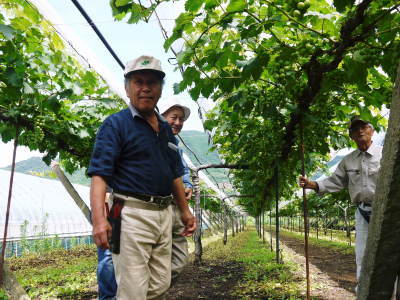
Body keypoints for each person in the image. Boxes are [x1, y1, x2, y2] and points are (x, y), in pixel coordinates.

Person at [88, 55, 196, 300]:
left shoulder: (165, 129)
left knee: (160, 282)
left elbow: (175, 174)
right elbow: (99, 175)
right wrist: (98, 220)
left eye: (152, 82)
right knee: (132, 288)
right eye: (138, 82)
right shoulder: (116, 124)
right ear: (128, 88)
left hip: (163, 213)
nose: (145, 87)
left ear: (160, 90)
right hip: (127, 212)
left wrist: (185, 211)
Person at [299, 116, 382, 289]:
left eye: (364, 127)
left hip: (387, 212)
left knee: (392, 252)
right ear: (351, 136)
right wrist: (312, 184)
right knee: (363, 255)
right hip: (363, 212)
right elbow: (335, 181)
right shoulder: (348, 160)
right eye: (355, 129)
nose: (360, 131)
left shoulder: (386, 154)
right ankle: (363, 291)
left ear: (372, 131)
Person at [159, 99, 193, 282]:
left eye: (181, 119)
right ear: (161, 116)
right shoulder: (149, 141)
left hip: (175, 206)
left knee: (179, 259)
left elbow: (184, 172)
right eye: (174, 117)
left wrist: (187, 186)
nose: (178, 123)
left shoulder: (176, 149)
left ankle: (156, 288)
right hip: (156, 206)